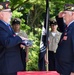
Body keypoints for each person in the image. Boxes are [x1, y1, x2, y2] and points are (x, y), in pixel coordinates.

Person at [0, 1, 26, 75]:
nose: (11, 14)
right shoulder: (1, 26)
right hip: (6, 67)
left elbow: (11, 40)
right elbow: (6, 42)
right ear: (1, 14)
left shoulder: (7, 25)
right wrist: (19, 38)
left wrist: (20, 43)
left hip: (12, 65)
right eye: (9, 12)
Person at [55, 4, 74, 75]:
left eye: (65, 13)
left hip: (69, 70)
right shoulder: (68, 27)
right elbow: (62, 28)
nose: (63, 15)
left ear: (73, 14)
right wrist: (59, 18)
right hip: (64, 69)